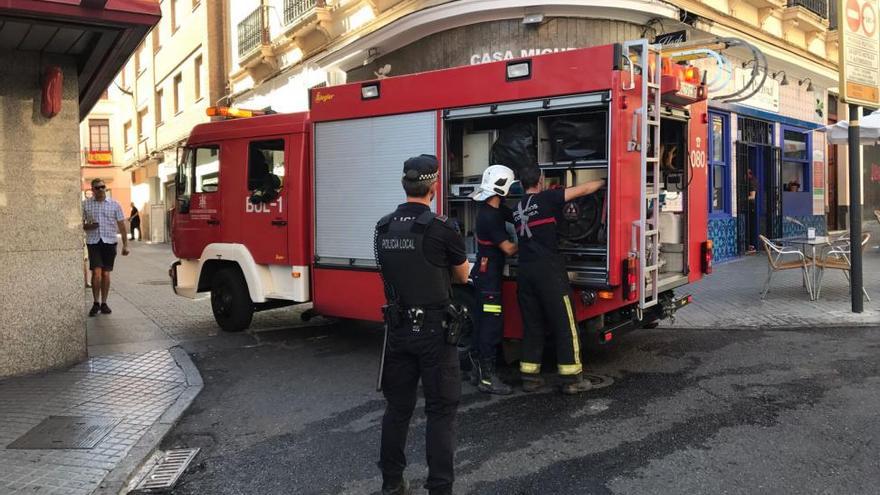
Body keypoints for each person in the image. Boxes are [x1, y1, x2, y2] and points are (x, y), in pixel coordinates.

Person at [374, 154, 470, 495]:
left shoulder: (383, 227)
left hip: (398, 329)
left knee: (397, 409)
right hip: (434, 331)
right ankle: (440, 488)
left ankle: (391, 483)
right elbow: (461, 275)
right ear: (433, 186)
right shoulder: (442, 228)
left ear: (405, 184)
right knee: (441, 412)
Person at [512, 164, 605, 395]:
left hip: (524, 271)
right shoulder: (547, 198)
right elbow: (582, 191)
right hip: (548, 271)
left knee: (532, 325)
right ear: (540, 181)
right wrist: (606, 181)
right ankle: (572, 378)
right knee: (565, 323)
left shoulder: (517, 207)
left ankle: (529, 377)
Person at [467, 165, 517, 395]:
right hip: (489, 279)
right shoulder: (490, 217)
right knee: (490, 325)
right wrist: (526, 242)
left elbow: (513, 214)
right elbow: (507, 249)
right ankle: (487, 378)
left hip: (484, 275)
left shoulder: (494, 210)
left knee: (481, 323)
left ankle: (476, 371)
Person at [82, 179, 130, 317]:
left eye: (103, 187)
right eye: (97, 188)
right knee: (96, 273)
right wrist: (89, 226)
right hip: (93, 242)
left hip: (110, 242)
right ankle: (95, 302)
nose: (101, 189)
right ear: (92, 189)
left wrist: (126, 244)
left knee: (106, 273)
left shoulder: (115, 204)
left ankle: (104, 303)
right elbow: (80, 224)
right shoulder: (86, 205)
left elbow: (121, 225)